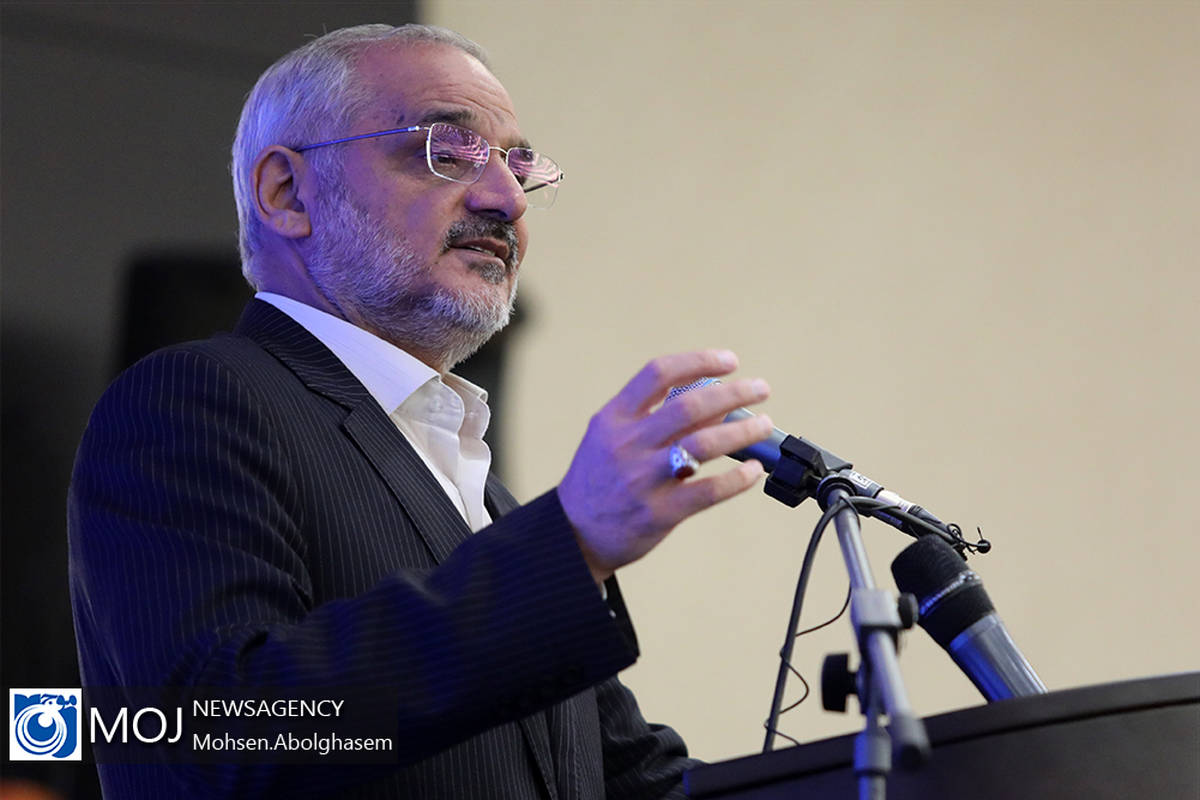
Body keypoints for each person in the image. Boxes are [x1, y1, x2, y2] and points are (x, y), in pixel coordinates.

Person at [68, 23, 773, 799]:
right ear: (288, 193)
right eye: (447, 150)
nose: (508, 199)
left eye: (517, 166)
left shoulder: (489, 503)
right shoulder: (196, 401)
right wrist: (570, 546)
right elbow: (218, 736)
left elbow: (637, 784)